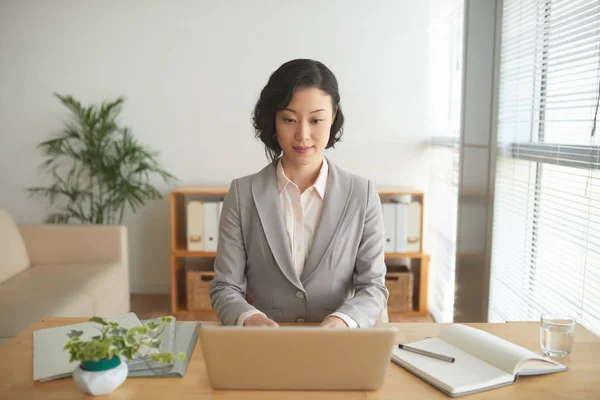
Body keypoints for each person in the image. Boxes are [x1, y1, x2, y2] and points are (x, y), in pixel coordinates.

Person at [209, 59, 389, 328]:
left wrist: (343, 320)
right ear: (274, 120)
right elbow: (224, 287)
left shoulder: (362, 195)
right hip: (266, 349)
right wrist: (250, 318)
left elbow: (373, 287)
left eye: (316, 120)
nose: (303, 135)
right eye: (290, 119)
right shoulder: (242, 194)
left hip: (337, 349)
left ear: (334, 116)